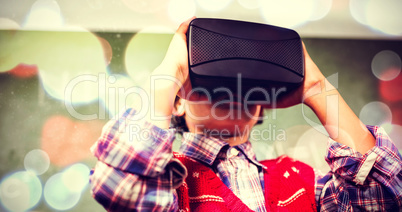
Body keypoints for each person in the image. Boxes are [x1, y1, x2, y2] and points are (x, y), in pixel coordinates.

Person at [89, 17, 402, 211]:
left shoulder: (302, 181)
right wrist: (172, 70)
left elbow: (385, 197)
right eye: (213, 83)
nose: (234, 91)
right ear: (177, 103)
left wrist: (317, 88)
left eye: (248, 85)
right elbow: (122, 188)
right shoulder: (171, 184)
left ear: (262, 106)